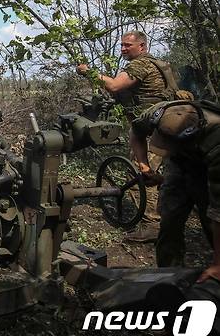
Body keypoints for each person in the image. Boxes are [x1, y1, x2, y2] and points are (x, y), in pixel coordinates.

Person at [77, 31, 176, 242]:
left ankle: (152, 226)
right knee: (173, 176)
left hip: (153, 133)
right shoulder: (157, 64)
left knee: (141, 174)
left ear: (142, 47)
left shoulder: (140, 65)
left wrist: (88, 72)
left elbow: (114, 85)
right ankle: (170, 220)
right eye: (121, 45)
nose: (123, 49)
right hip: (169, 128)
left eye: (128, 45)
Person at [129, 100, 220, 282]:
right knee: (169, 221)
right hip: (180, 164)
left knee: (210, 222)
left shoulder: (217, 142)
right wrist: (144, 166)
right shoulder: (158, 112)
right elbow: (136, 132)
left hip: (208, 169)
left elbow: (219, 213)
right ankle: (169, 278)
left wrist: (218, 264)